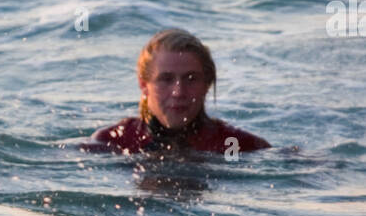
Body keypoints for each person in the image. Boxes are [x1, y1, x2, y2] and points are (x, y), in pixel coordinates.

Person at [88, 29, 270, 155]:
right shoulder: (112, 143)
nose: (178, 92)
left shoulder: (238, 146)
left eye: (191, 79)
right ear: (144, 85)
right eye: (166, 79)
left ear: (207, 84)